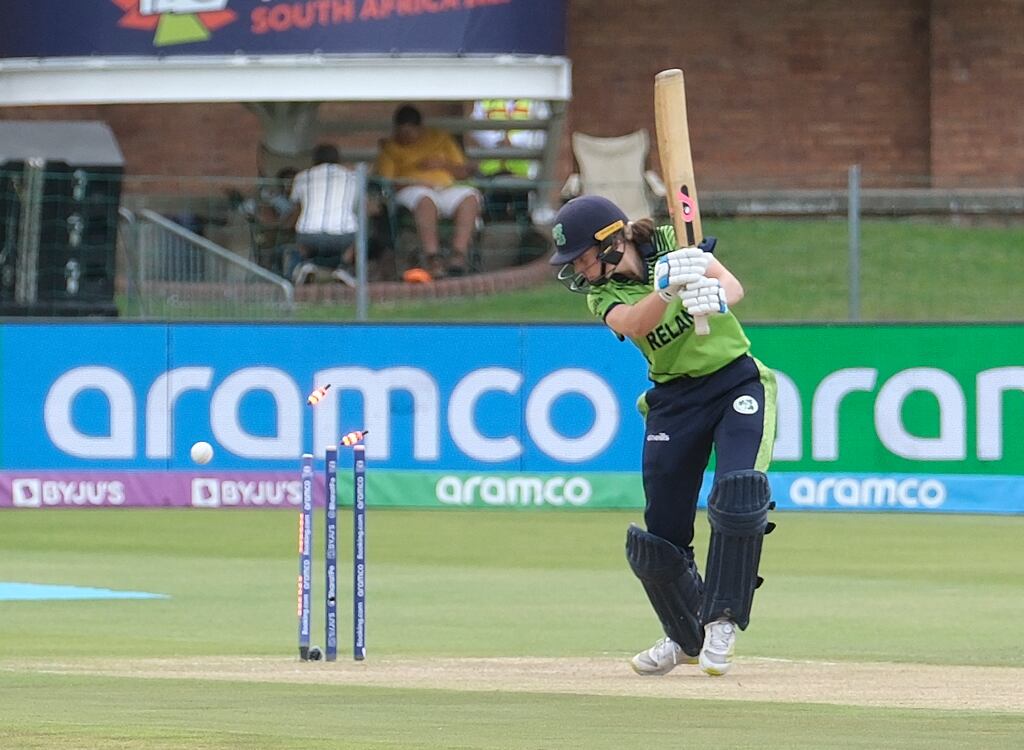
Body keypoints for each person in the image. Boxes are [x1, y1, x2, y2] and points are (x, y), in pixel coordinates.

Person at [548, 195, 777, 677]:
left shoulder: (671, 240)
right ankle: (684, 633)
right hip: (674, 402)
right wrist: (668, 289)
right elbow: (634, 323)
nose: (578, 271)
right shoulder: (603, 296)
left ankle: (721, 621)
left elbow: (732, 285)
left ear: (610, 242)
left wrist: (715, 296)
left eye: (581, 258)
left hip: (734, 380)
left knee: (738, 496)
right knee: (662, 533)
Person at [375, 105, 481, 278]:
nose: (406, 138)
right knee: (425, 199)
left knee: (469, 196)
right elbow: (388, 183)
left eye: (410, 133)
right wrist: (417, 182)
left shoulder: (440, 138)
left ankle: (458, 256)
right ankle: (433, 258)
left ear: (420, 128)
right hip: (411, 190)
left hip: (445, 187)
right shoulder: (390, 147)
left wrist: (442, 165)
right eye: (402, 133)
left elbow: (463, 171)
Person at [287, 143, 359, 286]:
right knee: (358, 231)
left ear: (314, 160)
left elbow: (297, 208)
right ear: (338, 159)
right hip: (344, 235)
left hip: (309, 235)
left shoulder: (302, 177)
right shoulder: (352, 177)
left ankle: (306, 264)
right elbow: (356, 207)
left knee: (301, 226)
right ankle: (344, 267)